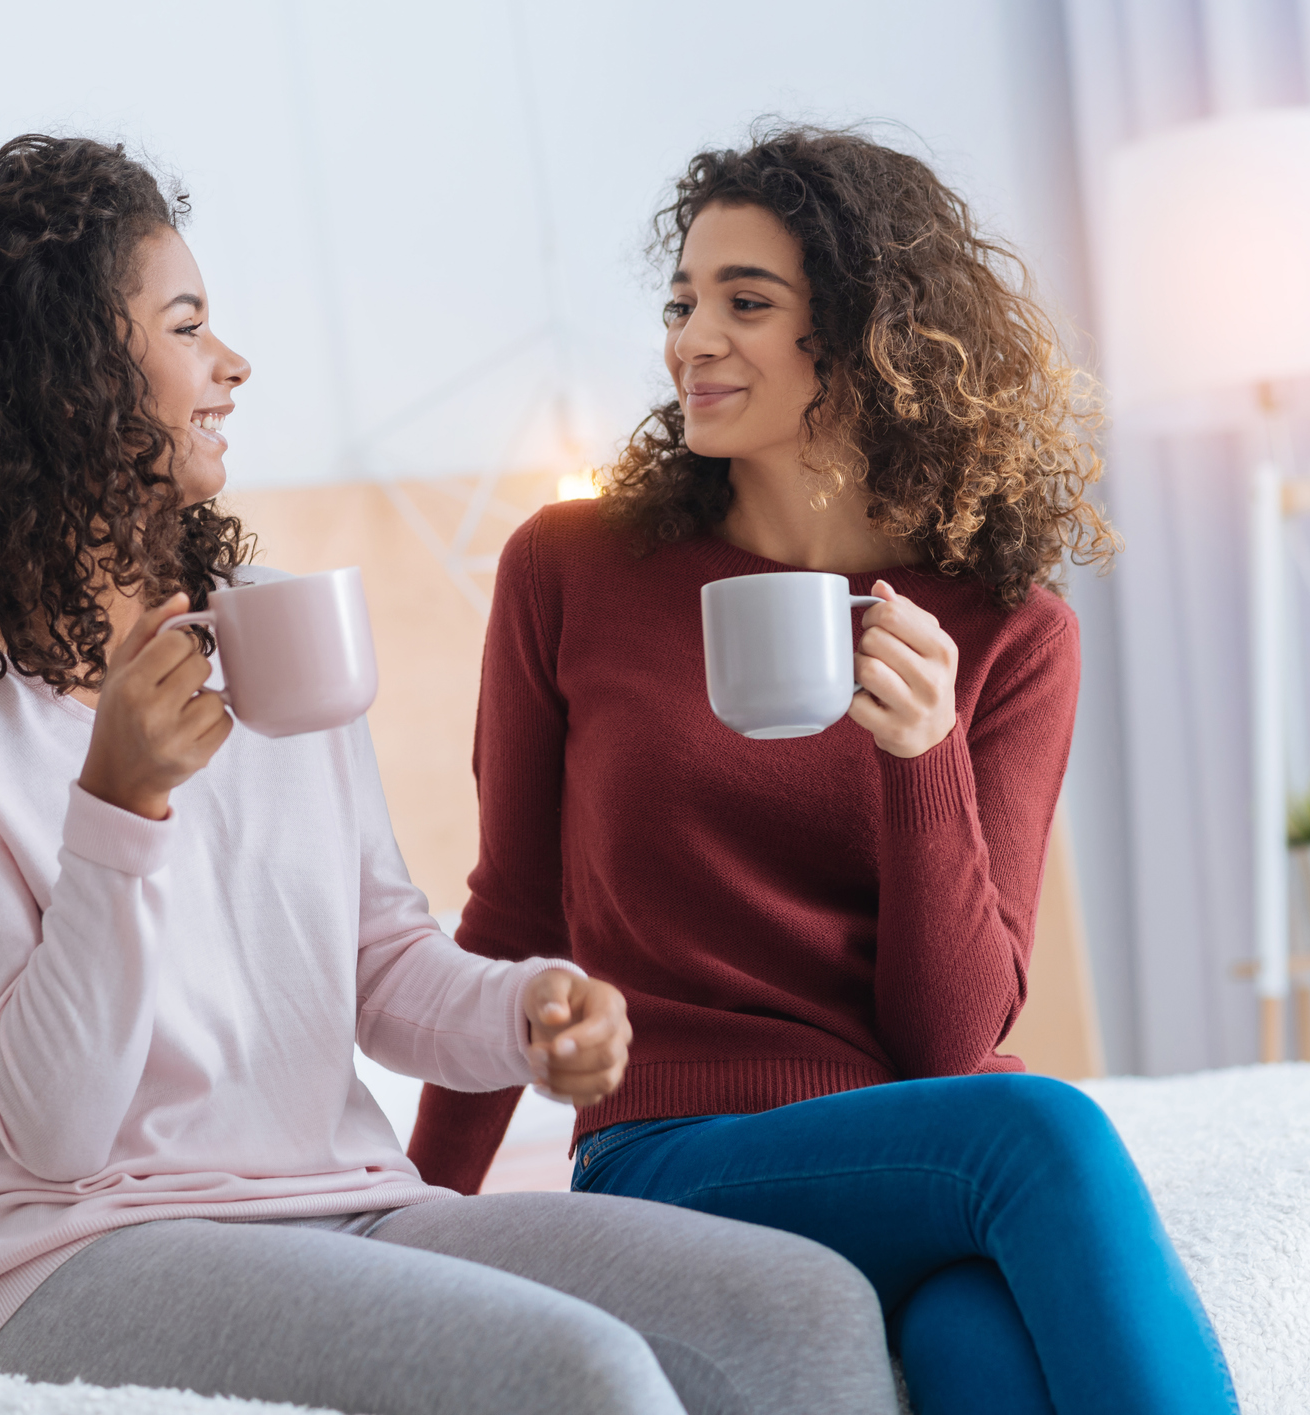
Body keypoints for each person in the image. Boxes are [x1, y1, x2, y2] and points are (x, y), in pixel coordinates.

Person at [0, 133, 902, 1415]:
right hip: (84, 1255)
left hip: (353, 1201)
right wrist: (118, 805)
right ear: (61, 375)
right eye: (186, 325)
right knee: (582, 1372)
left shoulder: (276, 630)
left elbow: (380, 963)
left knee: (808, 1304)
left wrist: (528, 1009)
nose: (233, 363)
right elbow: (52, 1126)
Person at [408, 128, 1240, 1415]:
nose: (693, 337)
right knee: (1048, 1131)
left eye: (747, 302)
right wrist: (417, 1221)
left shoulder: (1012, 632)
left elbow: (951, 1036)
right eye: (683, 301)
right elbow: (513, 917)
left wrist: (922, 756)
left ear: (864, 338)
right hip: (671, 1148)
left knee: (979, 1347)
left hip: (919, 1139)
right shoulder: (568, 568)